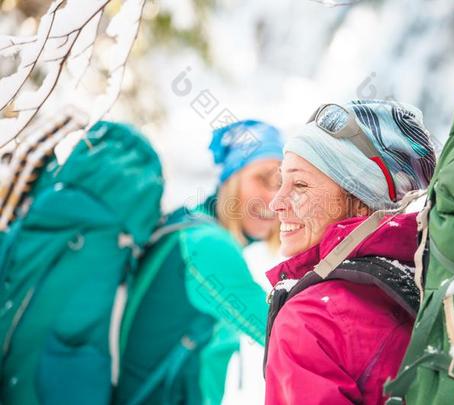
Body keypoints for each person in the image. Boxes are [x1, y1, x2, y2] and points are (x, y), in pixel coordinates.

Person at [263, 100, 436, 404]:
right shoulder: (433, 280)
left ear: (362, 200)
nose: (275, 202)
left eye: (300, 184)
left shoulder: (310, 321)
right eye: (281, 182)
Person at [115, 120, 283, 405]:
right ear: (232, 180)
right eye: (262, 179)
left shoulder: (188, 224)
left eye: (282, 184)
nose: (275, 197)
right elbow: (285, 332)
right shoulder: (209, 246)